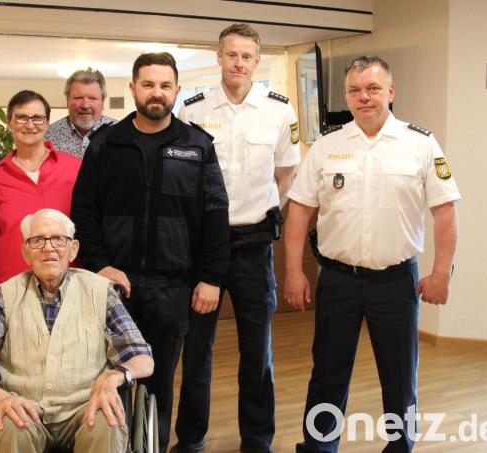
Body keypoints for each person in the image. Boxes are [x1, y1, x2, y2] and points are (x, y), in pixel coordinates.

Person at [284, 56, 460, 453]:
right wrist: (293, 271)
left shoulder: (420, 144)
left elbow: (445, 210)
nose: (364, 96)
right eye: (355, 90)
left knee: (400, 376)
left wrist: (441, 273)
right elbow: (299, 210)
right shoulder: (327, 147)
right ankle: (319, 447)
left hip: (396, 282)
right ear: (346, 95)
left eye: (373, 88)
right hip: (337, 280)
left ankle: (400, 447)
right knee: (327, 374)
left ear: (390, 92)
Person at [70, 52, 230, 451]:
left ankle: (151, 446)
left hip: (171, 287)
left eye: (164, 85)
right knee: (107, 379)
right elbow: (84, 212)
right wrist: (100, 266)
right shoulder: (106, 144)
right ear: (133, 89)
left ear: (176, 90)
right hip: (112, 286)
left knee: (158, 383)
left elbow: (215, 216)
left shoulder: (197, 145)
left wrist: (211, 278)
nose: (156, 93)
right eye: (148, 84)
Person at [174, 23, 300, 453]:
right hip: (203, 249)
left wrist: (260, 210)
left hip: (254, 247)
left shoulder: (279, 111)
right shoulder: (193, 110)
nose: (239, 63)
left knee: (257, 351)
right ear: (219, 57)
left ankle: (258, 440)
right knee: (197, 351)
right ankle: (191, 438)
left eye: (247, 56)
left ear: (257, 61)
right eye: (231, 55)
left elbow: (286, 173)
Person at [0, 208, 154, 453]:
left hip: (86, 406)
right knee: (11, 427)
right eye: (37, 240)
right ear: (26, 252)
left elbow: (143, 360)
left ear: (73, 249)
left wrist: (114, 377)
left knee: (109, 423)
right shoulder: (5, 296)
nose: (48, 248)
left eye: (58, 239)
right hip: (25, 410)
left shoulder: (100, 292)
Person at [0, 90, 81, 288]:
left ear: (47, 122)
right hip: (11, 284)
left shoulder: (74, 168)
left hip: (66, 283)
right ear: (9, 122)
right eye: (21, 117)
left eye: (37, 118)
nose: (30, 125)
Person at [44, 67, 115, 158]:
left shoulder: (121, 133)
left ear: (102, 103)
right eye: (78, 98)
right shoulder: (48, 136)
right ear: (67, 101)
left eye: (92, 98)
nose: (85, 105)